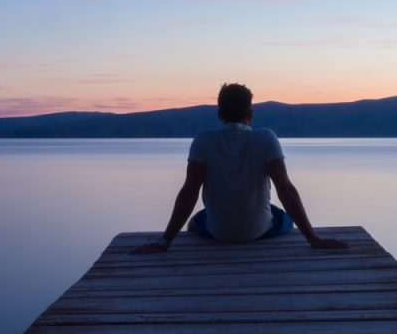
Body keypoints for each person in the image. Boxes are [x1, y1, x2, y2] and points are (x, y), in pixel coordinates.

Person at [130, 83, 349, 254]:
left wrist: (164, 241)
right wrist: (313, 239)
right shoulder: (265, 138)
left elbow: (189, 191)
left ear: (219, 114)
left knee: (196, 222)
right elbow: (286, 189)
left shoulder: (203, 140)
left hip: (219, 234)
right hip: (259, 232)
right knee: (282, 216)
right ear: (250, 114)